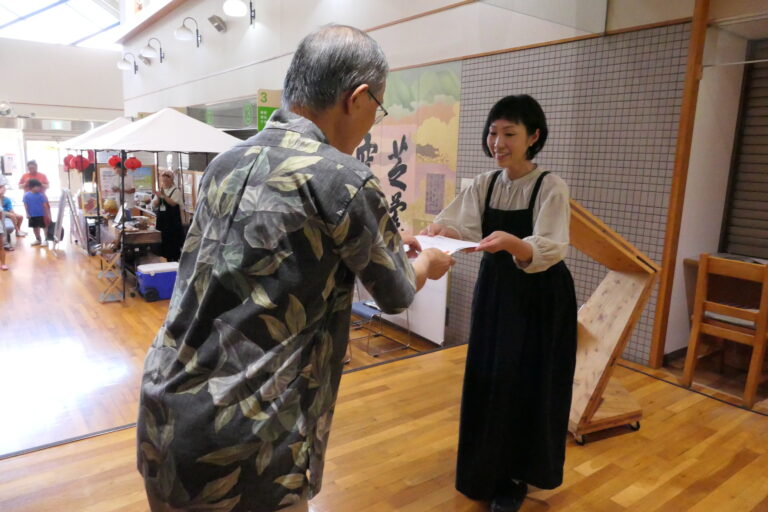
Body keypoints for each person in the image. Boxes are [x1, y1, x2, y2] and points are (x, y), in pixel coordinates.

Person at [136, 24, 454, 512]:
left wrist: (385, 239)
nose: (373, 120)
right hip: (247, 435)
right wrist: (429, 261)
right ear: (358, 97)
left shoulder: (226, 162)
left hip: (166, 407)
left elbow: (273, 253)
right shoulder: (343, 178)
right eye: (378, 107)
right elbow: (395, 293)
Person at [422, 95, 577, 512]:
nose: (498, 141)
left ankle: (516, 475)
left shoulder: (550, 185)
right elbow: (460, 224)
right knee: (489, 373)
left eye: (510, 133)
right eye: (493, 132)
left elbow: (550, 246)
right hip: (496, 290)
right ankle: (483, 466)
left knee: (528, 379)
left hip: (540, 294)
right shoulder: (485, 182)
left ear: (534, 137)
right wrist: (440, 228)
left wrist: (515, 245)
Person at [150, 170, 184, 262]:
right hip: (162, 220)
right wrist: (158, 197)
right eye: (163, 181)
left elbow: (173, 203)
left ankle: (175, 260)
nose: (164, 182)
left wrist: (163, 196)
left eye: (166, 181)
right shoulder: (161, 190)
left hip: (173, 221)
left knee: (173, 241)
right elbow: (154, 205)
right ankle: (165, 259)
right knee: (163, 241)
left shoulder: (176, 191)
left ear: (171, 180)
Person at [22, 178, 51, 247]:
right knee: (35, 228)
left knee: (44, 227)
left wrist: (47, 215)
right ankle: (38, 239)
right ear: (31, 187)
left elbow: (45, 206)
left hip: (41, 214)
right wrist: (27, 213)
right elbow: (26, 205)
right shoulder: (26, 195)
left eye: (39, 187)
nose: (39, 188)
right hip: (32, 215)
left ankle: (46, 240)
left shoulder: (41, 195)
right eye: (37, 186)